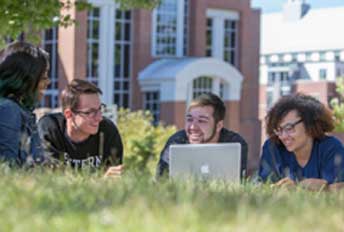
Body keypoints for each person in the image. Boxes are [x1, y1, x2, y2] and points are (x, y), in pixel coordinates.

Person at [38, 79, 123, 177]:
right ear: (69, 114)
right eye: (90, 112)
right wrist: (100, 182)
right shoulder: (51, 128)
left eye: (100, 109)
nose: (99, 118)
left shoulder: (107, 131)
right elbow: (54, 179)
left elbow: (113, 177)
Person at [258, 93, 344, 191]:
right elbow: (264, 187)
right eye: (279, 130)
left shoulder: (331, 147)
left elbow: (341, 188)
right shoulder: (272, 147)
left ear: (309, 124)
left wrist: (325, 189)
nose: (283, 136)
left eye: (289, 128)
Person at [156, 92, 248, 178]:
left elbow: (236, 184)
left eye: (202, 121)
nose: (193, 127)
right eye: (189, 119)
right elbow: (160, 181)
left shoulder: (234, 144)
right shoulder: (177, 142)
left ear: (218, 126)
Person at [0, 41, 50, 167]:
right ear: (26, 80)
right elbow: (7, 167)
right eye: (43, 77)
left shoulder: (22, 111)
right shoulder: (8, 110)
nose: (48, 82)